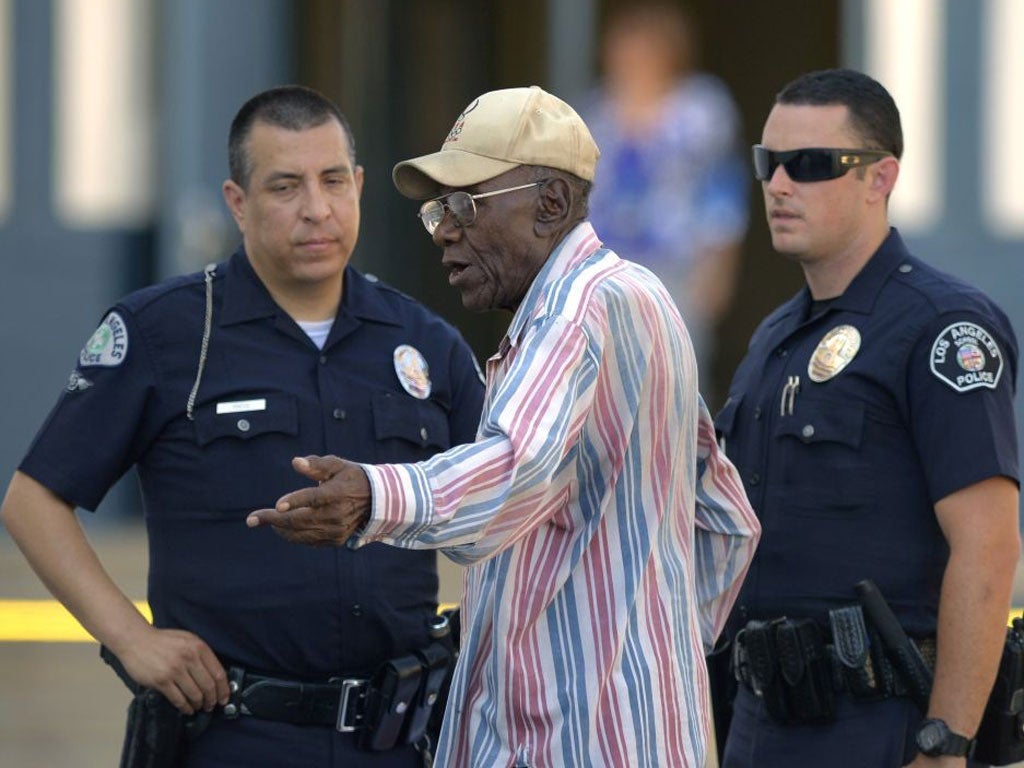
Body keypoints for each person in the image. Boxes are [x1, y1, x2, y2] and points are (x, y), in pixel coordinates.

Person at [247, 85, 761, 768]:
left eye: (464, 205)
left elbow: (515, 469)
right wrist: (649, 651)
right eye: (438, 211)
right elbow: (726, 520)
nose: (445, 232)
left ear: (550, 204)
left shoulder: (576, 313)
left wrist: (375, 497)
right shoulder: (635, 297)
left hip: (568, 743)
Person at [0, 85, 485, 767]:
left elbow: (510, 498)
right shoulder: (167, 335)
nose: (316, 209)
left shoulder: (425, 342)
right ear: (238, 202)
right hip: (233, 739)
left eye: (333, 180)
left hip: (400, 743)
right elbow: (33, 501)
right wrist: (133, 640)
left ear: (361, 186)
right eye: (285, 186)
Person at [714, 68, 1020, 767]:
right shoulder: (773, 339)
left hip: (880, 726)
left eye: (812, 165)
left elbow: (989, 547)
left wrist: (945, 745)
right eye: (770, 162)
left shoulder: (942, 327)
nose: (780, 184)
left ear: (880, 178)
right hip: (762, 724)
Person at [583, 1, 749, 404]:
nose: (632, 58)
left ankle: (679, 466)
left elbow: (723, 195)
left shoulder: (702, 109)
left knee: (675, 384)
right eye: (624, 46)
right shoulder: (595, 111)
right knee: (600, 384)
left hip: (678, 270)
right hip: (602, 270)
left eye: (644, 47)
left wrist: (719, 270)